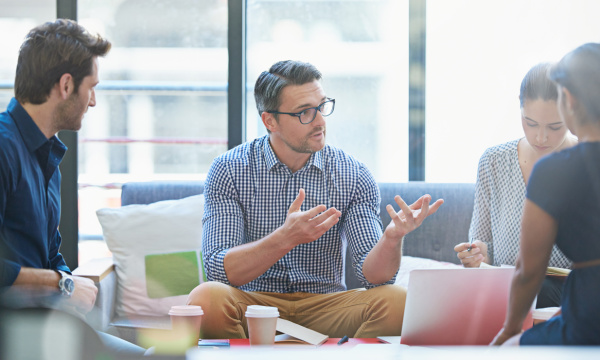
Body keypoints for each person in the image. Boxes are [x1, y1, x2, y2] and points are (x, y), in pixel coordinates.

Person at [187, 60, 444, 339]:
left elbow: (375, 278)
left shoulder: (352, 173)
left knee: (397, 300)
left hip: (326, 305)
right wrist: (285, 237)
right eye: (304, 113)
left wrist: (391, 239)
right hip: (255, 306)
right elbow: (218, 269)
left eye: (321, 107)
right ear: (269, 120)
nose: (320, 120)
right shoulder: (229, 169)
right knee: (206, 299)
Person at [0, 19, 145, 355]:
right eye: (91, 87)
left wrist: (66, 278)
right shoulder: (4, 148)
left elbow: (48, 254)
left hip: (42, 322)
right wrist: (61, 283)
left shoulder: (47, 156)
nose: (93, 101)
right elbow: (48, 274)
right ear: (66, 85)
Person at [492, 43, 600, 345]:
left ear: (568, 99)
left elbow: (528, 271)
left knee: (512, 347)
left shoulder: (555, 170)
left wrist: (511, 330)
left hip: (590, 319)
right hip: (581, 308)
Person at [454, 63, 577, 308]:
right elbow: (482, 246)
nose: (541, 137)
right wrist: (478, 255)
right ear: (519, 109)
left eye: (554, 126)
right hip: (508, 292)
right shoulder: (494, 162)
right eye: (531, 123)